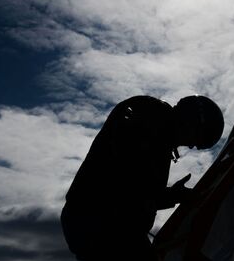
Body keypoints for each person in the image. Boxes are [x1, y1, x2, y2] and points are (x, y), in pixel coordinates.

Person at [61, 95, 224, 261]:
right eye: (196, 139)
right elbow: (126, 188)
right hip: (101, 225)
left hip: (103, 223)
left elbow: (135, 190)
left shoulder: (156, 128)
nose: (189, 145)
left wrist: (172, 195)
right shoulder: (149, 122)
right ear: (191, 121)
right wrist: (169, 196)